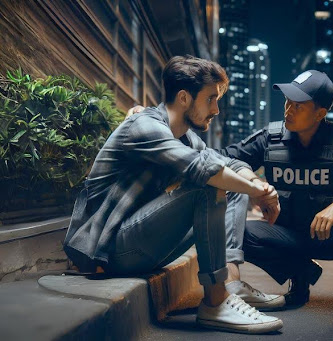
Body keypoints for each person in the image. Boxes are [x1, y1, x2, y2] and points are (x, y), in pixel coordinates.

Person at [63, 56, 284, 334]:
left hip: (142, 245)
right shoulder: (143, 126)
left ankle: (228, 285)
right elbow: (201, 168)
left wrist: (259, 186)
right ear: (183, 97)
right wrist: (255, 191)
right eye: (210, 99)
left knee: (231, 184)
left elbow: (227, 163)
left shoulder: (186, 137)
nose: (216, 109)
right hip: (110, 251)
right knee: (209, 184)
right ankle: (215, 301)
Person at [218, 70, 333, 312]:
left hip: (332, 234)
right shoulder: (270, 138)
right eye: (287, 102)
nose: (288, 110)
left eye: (298, 106)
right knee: (234, 232)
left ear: (320, 114)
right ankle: (300, 273)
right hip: (287, 236)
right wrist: (255, 187)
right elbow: (225, 159)